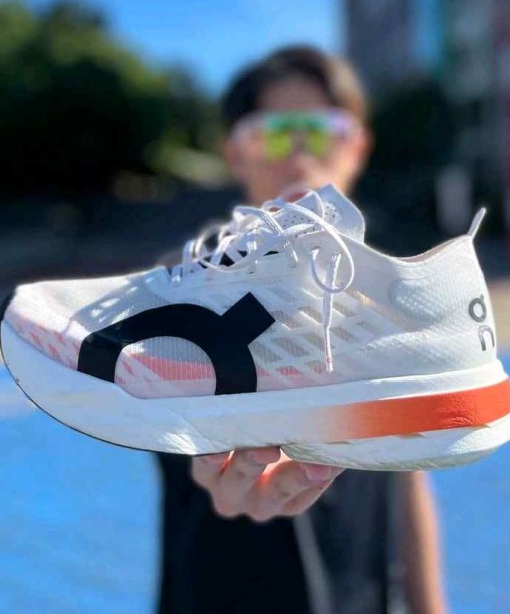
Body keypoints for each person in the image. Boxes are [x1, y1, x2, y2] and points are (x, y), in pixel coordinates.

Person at [156, 45, 449, 614]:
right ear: (235, 153)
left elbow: (408, 474)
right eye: (272, 134)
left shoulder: (393, 298)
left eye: (322, 132)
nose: (297, 156)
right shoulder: (180, 296)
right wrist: (225, 471)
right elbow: (189, 443)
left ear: (357, 147)